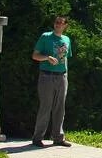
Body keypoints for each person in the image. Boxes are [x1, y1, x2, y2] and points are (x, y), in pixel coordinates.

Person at [31, 16, 72, 148]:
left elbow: (65, 59)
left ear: (65, 26)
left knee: (60, 108)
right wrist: (47, 58)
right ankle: (38, 138)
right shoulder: (45, 37)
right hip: (47, 77)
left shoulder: (67, 40)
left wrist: (66, 76)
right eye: (56, 22)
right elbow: (35, 55)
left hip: (61, 77)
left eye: (61, 23)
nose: (58, 25)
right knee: (46, 107)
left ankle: (58, 138)